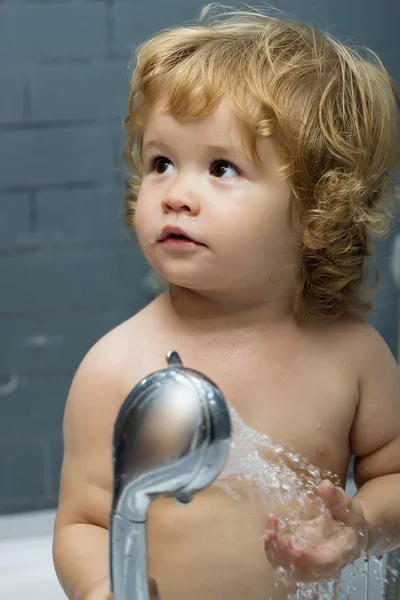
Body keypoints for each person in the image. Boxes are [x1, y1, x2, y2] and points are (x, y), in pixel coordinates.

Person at [52, 3, 400, 599]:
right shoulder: (119, 367)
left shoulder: (353, 356)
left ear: (318, 212)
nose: (176, 195)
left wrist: (360, 527)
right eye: (161, 162)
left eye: (221, 167)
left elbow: (392, 475)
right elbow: (83, 521)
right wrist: (101, 587)